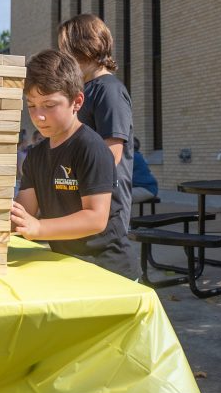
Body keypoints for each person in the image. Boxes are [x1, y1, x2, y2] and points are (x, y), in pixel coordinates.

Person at [10, 49, 138, 280]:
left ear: (77, 101)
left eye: (49, 105)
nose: (38, 116)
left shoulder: (92, 148)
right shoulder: (36, 156)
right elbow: (23, 213)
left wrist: (39, 228)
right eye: (31, 105)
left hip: (109, 271)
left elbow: (96, 218)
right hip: (67, 265)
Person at [58, 14, 134, 230]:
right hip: (81, 204)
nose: (64, 58)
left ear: (83, 47)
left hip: (105, 212)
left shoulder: (109, 90)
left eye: (65, 49)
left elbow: (112, 154)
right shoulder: (85, 90)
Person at [131, 136, 159, 202]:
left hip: (146, 189)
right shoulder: (136, 156)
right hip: (142, 187)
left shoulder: (133, 156)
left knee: (116, 196)